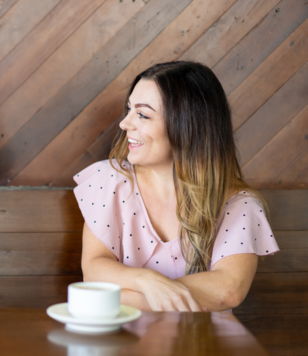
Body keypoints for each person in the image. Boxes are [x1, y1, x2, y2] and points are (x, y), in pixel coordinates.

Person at [75, 61, 279, 312]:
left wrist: (124, 296)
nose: (125, 124)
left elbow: (228, 290)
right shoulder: (109, 181)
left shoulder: (239, 206)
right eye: (129, 109)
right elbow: (95, 269)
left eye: (142, 114)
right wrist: (148, 281)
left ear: (187, 126)